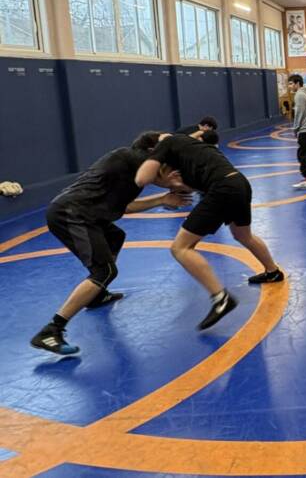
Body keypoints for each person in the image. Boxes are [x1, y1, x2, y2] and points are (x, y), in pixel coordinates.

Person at [30, 133, 192, 355]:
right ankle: (51, 330)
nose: (172, 170)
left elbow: (126, 207)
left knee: (115, 237)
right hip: (71, 214)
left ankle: (96, 295)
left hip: (85, 214)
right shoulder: (132, 159)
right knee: (104, 271)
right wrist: (178, 181)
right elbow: (160, 163)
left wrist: (162, 198)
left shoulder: (130, 169)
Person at [134, 133, 284, 330]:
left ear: (152, 150)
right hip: (238, 183)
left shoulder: (167, 143)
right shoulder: (189, 146)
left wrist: (151, 166)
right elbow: (198, 184)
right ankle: (273, 272)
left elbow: (141, 179)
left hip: (223, 189)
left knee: (180, 248)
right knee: (242, 235)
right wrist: (177, 185)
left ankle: (221, 298)